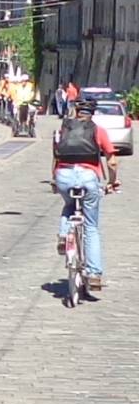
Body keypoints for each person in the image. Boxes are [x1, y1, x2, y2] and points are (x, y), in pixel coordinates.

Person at [53, 98, 118, 293]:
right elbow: (112, 161)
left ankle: (64, 236)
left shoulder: (63, 129)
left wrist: (54, 180)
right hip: (89, 177)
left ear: (75, 111)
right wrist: (112, 181)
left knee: (69, 205)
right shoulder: (98, 131)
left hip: (63, 175)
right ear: (93, 114)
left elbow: (55, 156)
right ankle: (94, 274)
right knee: (91, 226)